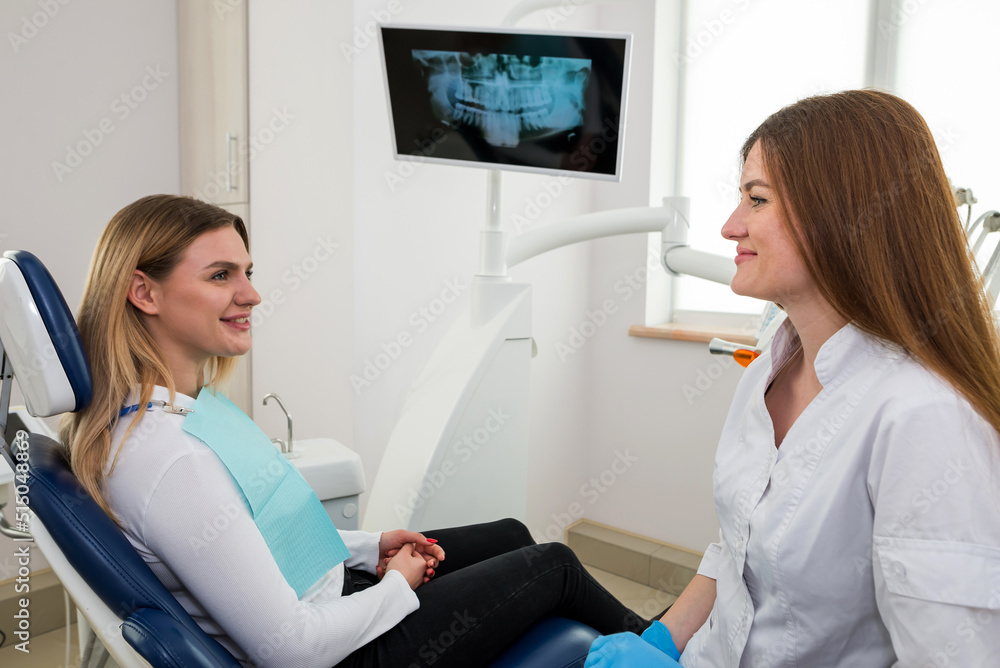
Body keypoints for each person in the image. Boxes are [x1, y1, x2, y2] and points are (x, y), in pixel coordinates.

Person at [62, 194, 649, 668]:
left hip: (327, 597)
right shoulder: (169, 460)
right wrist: (396, 585)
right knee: (552, 566)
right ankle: (675, 654)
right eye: (221, 276)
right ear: (144, 292)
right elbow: (291, 650)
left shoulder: (181, 412)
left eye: (247, 271)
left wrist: (372, 549)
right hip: (341, 654)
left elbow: (252, 543)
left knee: (512, 533)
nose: (252, 294)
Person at [587, 89, 1000, 667]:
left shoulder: (924, 417)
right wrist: (664, 639)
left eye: (756, 200)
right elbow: (739, 549)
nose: (732, 227)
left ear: (846, 214)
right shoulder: (766, 374)